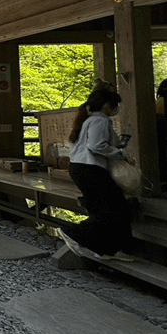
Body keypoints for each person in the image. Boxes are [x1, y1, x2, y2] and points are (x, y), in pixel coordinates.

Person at [58, 86, 135, 261]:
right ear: (107, 105)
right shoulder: (101, 120)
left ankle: (106, 249)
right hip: (90, 168)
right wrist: (120, 154)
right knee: (116, 207)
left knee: (102, 207)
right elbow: (96, 146)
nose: (116, 109)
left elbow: (95, 143)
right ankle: (74, 233)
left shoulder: (88, 120)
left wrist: (117, 146)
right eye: (115, 105)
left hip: (80, 168)